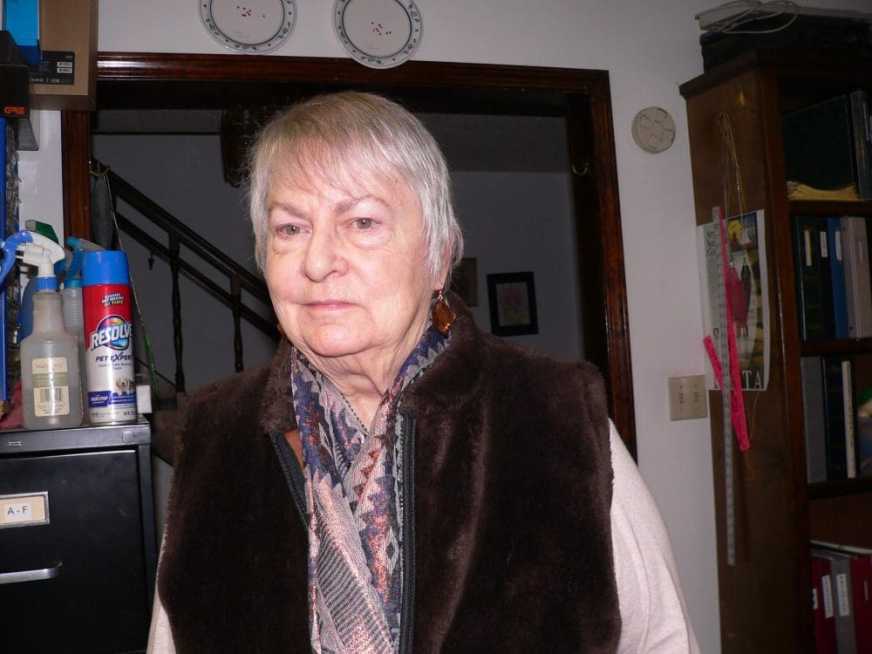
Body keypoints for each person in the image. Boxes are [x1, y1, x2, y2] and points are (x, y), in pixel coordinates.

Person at [148, 91, 698, 653]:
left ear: (438, 255)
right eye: (290, 229)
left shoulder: (557, 414)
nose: (316, 261)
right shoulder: (215, 432)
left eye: (362, 221)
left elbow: (662, 641)